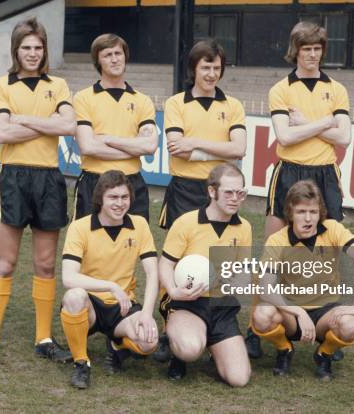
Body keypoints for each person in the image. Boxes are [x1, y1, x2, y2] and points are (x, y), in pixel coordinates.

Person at [246, 20, 353, 358]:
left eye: (317, 48)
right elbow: (285, 137)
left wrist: (308, 121)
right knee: (272, 252)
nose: (311, 54)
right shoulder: (281, 89)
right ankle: (256, 324)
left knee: (327, 250)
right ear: (295, 50)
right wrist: (327, 123)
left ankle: (326, 325)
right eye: (305, 48)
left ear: (323, 50)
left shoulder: (336, 88)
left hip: (325, 174)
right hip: (289, 172)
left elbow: (345, 137)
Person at [0, 17, 75, 367]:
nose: (33, 53)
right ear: (16, 50)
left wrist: (23, 120)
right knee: (6, 262)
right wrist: (46, 125)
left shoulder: (58, 85)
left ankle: (44, 339)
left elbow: (69, 126)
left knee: (45, 264)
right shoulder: (0, 85)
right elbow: (1, 134)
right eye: (26, 47)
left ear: (45, 50)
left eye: (38, 47)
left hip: (49, 178)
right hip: (13, 178)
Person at [155, 39, 247, 362]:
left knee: (219, 257)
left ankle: (214, 326)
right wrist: (212, 148)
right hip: (184, 188)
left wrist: (196, 145)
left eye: (217, 68)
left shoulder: (232, 105)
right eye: (205, 67)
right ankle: (172, 326)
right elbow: (176, 147)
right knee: (177, 259)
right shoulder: (177, 103)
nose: (211, 73)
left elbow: (239, 149)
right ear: (193, 68)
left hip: (220, 192)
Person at [251, 180, 354, 380]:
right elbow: (265, 287)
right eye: (301, 212)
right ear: (290, 213)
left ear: (320, 212)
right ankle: (284, 350)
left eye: (313, 212)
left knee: (350, 325)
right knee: (262, 315)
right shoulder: (278, 240)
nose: (308, 218)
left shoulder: (332, 229)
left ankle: (324, 353)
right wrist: (297, 311)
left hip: (326, 311)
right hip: (291, 311)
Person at [60, 170, 159, 389]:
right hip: (91, 305)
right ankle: (81, 363)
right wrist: (111, 286)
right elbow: (68, 277)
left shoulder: (139, 224)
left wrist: (146, 314)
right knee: (74, 297)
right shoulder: (80, 227)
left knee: (148, 342)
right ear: (100, 199)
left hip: (122, 307)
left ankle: (116, 344)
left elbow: (153, 273)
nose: (120, 203)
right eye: (113, 197)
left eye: (124, 197)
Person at [158, 163, 252, 386]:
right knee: (190, 349)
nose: (235, 198)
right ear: (212, 191)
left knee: (239, 379)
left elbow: (243, 272)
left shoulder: (244, 227)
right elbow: (165, 264)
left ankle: (213, 343)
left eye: (240, 193)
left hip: (222, 306)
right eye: (228, 192)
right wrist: (174, 292)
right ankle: (178, 352)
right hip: (188, 303)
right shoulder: (186, 222)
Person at [72, 33, 158, 221]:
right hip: (94, 181)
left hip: (131, 181)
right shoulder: (83, 98)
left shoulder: (142, 100)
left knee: (134, 245)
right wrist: (133, 149)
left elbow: (150, 147)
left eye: (118, 53)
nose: (114, 59)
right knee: (91, 245)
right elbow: (88, 147)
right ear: (98, 61)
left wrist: (108, 139)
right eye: (107, 55)